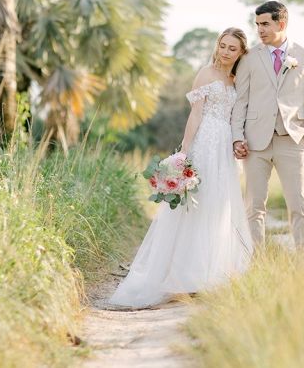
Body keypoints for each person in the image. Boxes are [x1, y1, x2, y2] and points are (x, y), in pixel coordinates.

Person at [108, 28, 254, 309]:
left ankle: (212, 273)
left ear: (241, 53)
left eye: (232, 48)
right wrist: (184, 152)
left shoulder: (238, 78)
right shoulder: (206, 73)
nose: (225, 52)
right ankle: (182, 277)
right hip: (205, 143)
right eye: (222, 45)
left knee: (218, 205)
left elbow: (240, 114)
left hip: (226, 147)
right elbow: (196, 113)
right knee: (195, 206)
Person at [231, 1, 304, 273]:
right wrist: (237, 137)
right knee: (254, 207)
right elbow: (241, 101)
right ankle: (255, 264)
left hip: (292, 140)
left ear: (281, 24)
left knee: (298, 204)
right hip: (255, 143)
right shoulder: (249, 58)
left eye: (265, 24)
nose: (259, 30)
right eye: (257, 24)